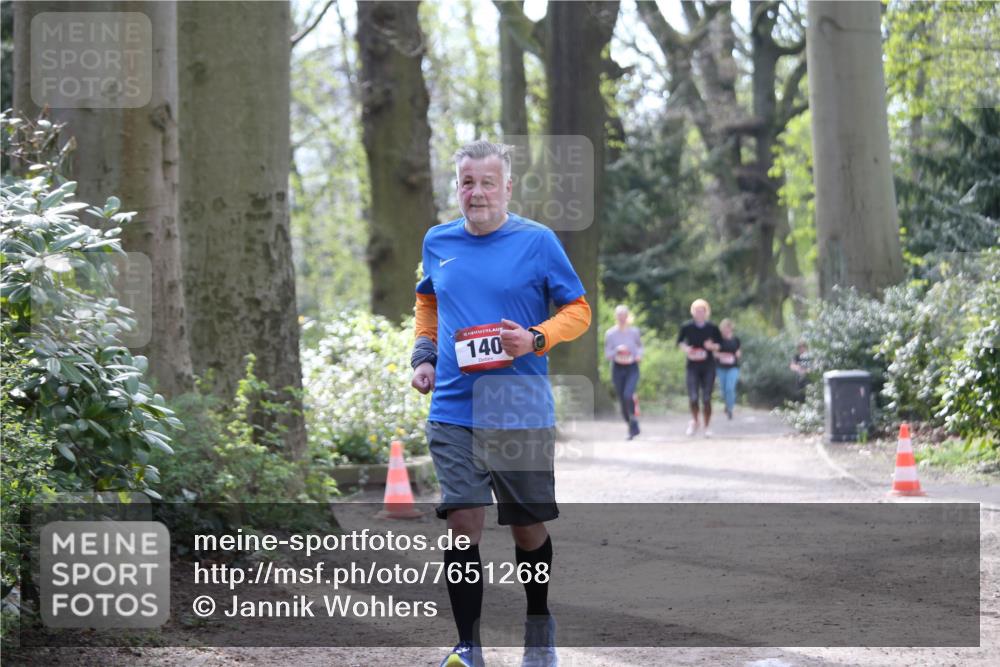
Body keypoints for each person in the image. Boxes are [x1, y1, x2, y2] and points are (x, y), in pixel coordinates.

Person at [410, 140, 591, 667]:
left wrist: (536, 337)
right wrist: (424, 355)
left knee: (526, 528)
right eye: (468, 182)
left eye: (488, 182)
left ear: (507, 187)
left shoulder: (538, 242)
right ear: (458, 187)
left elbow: (578, 310)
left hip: (519, 408)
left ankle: (539, 626)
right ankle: (468, 645)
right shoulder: (438, 240)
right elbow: (428, 301)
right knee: (463, 520)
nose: (477, 192)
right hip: (453, 408)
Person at [676, 298, 722, 437]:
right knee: (693, 397)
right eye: (697, 311)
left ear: (706, 312)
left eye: (702, 311)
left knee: (707, 397)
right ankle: (695, 421)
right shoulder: (686, 327)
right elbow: (679, 342)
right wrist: (686, 349)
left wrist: (712, 346)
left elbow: (720, 344)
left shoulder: (712, 327)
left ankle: (707, 426)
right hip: (692, 366)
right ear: (693, 312)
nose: (699, 313)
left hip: (708, 366)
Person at [604, 305, 643, 439]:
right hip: (617, 368)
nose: (621, 318)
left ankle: (633, 423)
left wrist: (638, 355)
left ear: (628, 317)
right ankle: (632, 425)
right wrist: (617, 350)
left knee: (628, 395)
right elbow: (608, 354)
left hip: (632, 367)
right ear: (616, 317)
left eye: (624, 315)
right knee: (622, 399)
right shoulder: (610, 333)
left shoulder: (634, 332)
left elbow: (639, 347)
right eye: (619, 315)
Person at [715, 318, 742, 420]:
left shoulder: (736, 340)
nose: (727, 330)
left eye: (728, 328)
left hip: (733, 368)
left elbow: (739, 353)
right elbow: (714, 353)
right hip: (721, 368)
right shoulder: (718, 340)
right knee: (723, 390)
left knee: (730, 388)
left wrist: (737, 354)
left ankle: (730, 409)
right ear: (722, 329)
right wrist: (722, 355)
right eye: (725, 328)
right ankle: (727, 404)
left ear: (731, 329)